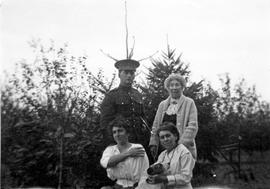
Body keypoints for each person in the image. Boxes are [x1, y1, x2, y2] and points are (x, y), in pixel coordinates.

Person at [149, 73, 198, 160]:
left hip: (183, 149)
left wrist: (180, 146)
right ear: (168, 87)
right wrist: (154, 142)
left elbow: (192, 126)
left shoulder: (189, 102)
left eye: (177, 85)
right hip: (163, 149)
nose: (174, 88)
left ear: (182, 87)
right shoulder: (162, 105)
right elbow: (156, 125)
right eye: (171, 85)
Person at [100, 59, 149, 146]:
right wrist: (112, 143)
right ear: (119, 74)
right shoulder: (112, 96)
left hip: (139, 141)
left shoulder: (137, 94)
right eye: (126, 73)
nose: (129, 76)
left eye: (132, 73)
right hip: (120, 143)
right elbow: (105, 123)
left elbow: (143, 116)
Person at [100, 115, 149, 189]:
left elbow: (145, 171)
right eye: (114, 132)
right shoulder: (110, 150)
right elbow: (106, 163)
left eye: (120, 131)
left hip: (136, 186)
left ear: (127, 133)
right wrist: (128, 154)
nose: (117, 134)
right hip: (117, 186)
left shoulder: (137, 148)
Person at [143, 122, 195, 189]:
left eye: (168, 136)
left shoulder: (184, 153)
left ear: (175, 136)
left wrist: (164, 179)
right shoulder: (162, 155)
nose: (165, 139)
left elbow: (186, 177)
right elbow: (154, 171)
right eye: (162, 137)